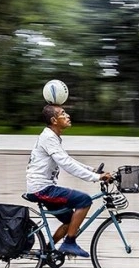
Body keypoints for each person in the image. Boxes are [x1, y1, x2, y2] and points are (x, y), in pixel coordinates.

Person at [25, 104, 112, 257]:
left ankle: (47, 251)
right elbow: (67, 165)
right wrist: (96, 177)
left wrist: (93, 170)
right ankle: (69, 243)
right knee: (84, 200)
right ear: (54, 120)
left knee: (71, 221)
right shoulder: (48, 138)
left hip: (44, 188)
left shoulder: (52, 137)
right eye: (63, 114)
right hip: (42, 189)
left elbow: (67, 159)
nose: (68, 116)